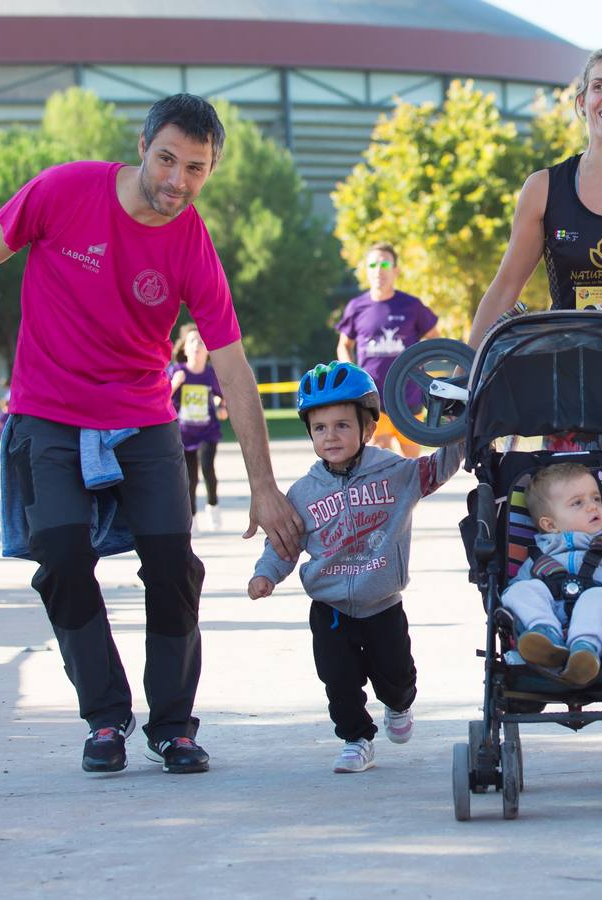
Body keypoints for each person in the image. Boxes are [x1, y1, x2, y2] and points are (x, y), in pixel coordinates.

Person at [0, 94, 301, 776]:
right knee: (62, 559)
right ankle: (104, 717)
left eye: (195, 168)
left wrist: (264, 488)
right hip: (49, 411)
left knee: (173, 567)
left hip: (142, 417)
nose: (176, 181)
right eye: (166, 159)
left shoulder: (190, 243)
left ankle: (173, 727)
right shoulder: (63, 190)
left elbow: (233, 368)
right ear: (141, 144)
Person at [465, 44, 602, 747]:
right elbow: (505, 288)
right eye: (597, 86)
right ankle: (562, 641)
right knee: (562, 518)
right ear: (580, 101)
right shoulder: (544, 187)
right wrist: (468, 374)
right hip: (572, 384)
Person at [248, 362, 464, 773]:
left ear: (367, 428)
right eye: (320, 428)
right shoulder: (304, 492)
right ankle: (355, 739)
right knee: (338, 680)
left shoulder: (396, 472)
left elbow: (441, 466)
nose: (331, 436)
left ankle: (399, 707)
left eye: (343, 425)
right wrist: (266, 573)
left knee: (396, 678)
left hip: (382, 602)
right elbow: (283, 543)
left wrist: (455, 425)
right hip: (329, 607)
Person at [502, 463, 602, 685]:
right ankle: (544, 635)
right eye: (577, 503)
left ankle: (584, 652)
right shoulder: (538, 556)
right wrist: (517, 596)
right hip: (552, 611)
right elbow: (517, 594)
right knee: (520, 590)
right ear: (550, 525)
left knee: (597, 598)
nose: (592, 507)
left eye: (596, 499)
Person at [336, 242, 439, 458]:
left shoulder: (411, 305)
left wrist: (421, 371)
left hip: (408, 399)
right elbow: (344, 345)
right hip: (371, 400)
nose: (379, 269)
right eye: (373, 264)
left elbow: (435, 341)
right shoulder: (356, 307)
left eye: (385, 263)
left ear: (395, 271)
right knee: (377, 466)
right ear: (366, 270)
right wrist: (350, 373)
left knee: (412, 469)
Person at [170, 325, 227, 532]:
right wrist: (175, 384)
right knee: (190, 477)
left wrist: (222, 407)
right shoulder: (177, 372)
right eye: (192, 341)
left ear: (208, 350)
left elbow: (223, 399)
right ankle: (191, 517)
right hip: (184, 434)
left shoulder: (211, 375)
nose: (197, 346)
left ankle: (213, 505)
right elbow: (161, 397)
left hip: (207, 432)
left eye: (202, 342)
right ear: (184, 348)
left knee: (207, 468)